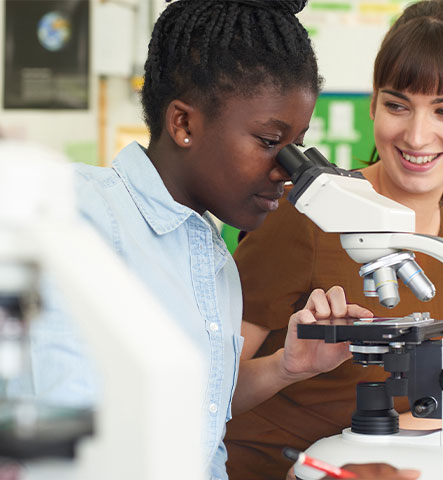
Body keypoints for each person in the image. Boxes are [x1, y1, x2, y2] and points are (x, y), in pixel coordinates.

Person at [3, 1, 375, 479]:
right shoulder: (72, 214)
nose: (286, 170)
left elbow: (198, 415)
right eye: (268, 141)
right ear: (184, 124)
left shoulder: (211, 255)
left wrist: (288, 365)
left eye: (295, 144)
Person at [224, 1, 443, 478]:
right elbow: (205, 392)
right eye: (398, 105)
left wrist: (379, 442)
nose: (418, 136)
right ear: (373, 103)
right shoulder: (306, 214)